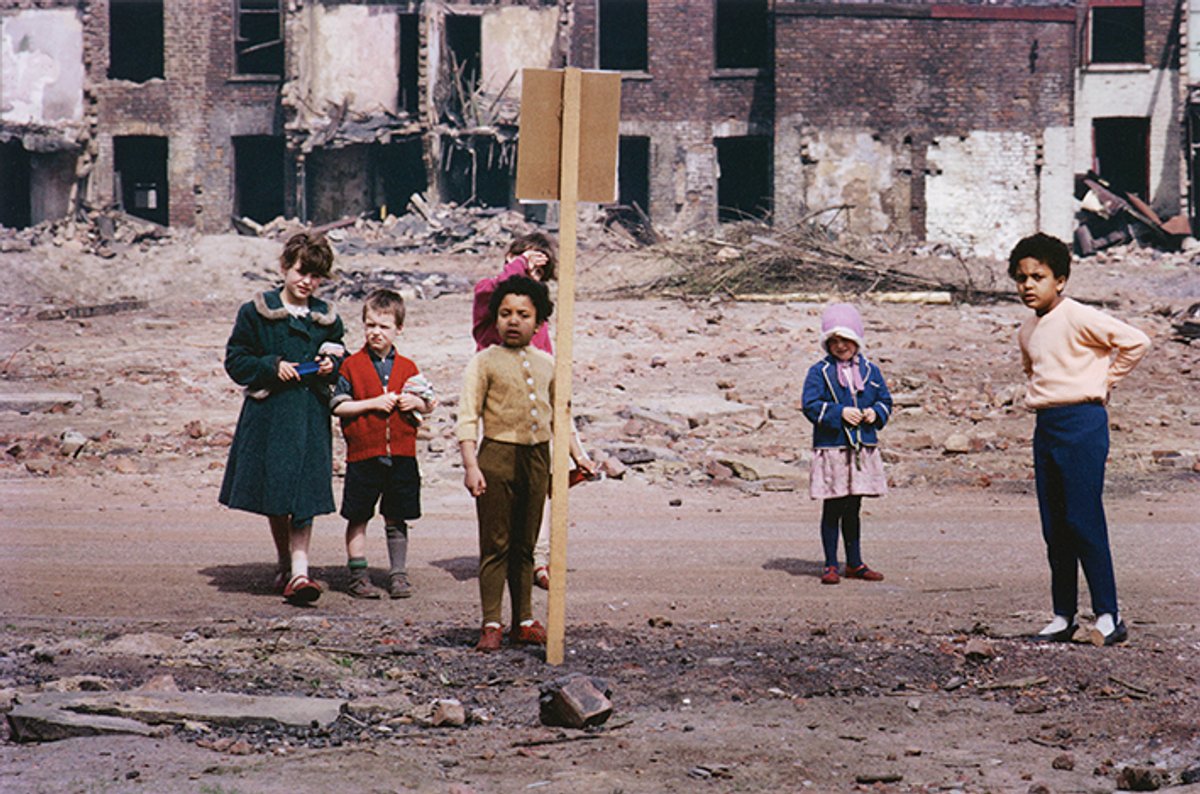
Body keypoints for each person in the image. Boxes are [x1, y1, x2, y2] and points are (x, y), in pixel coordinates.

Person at [1009, 232, 1149, 646]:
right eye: (1021, 278)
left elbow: (1136, 341)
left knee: (1083, 520)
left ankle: (1109, 615)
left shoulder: (1078, 315)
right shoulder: (1026, 330)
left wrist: (1104, 381)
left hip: (1083, 422)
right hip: (1046, 426)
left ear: (1061, 280)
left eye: (1039, 276)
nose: (1029, 285)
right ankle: (1062, 615)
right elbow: (1033, 370)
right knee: (1055, 526)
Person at [457, 276, 596, 652]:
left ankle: (524, 620)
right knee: (495, 544)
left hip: (537, 460)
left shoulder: (549, 363)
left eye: (522, 314)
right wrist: (471, 465)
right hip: (495, 459)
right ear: (495, 320)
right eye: (505, 314)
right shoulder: (483, 362)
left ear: (538, 322)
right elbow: (467, 417)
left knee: (525, 545)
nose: (513, 321)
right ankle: (491, 622)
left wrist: (579, 458)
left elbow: (560, 418)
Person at [219, 231, 344, 605]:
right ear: (285, 267)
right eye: (302, 272)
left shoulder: (327, 317)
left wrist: (330, 365)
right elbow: (235, 360)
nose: (308, 282)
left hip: (310, 415)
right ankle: (288, 564)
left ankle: (300, 572)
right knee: (277, 492)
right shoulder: (255, 312)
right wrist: (273, 366)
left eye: (316, 276)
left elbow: (342, 357)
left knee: (305, 491)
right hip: (270, 416)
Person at [471, 232, 589, 590]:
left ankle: (536, 557)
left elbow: (554, 386)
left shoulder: (538, 324)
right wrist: (521, 265)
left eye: (538, 275)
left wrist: (577, 450)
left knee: (543, 487)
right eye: (526, 265)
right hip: (503, 413)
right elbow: (497, 290)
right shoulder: (490, 299)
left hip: (540, 411)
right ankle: (504, 556)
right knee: (505, 489)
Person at [331, 289, 436, 600]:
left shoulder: (408, 366)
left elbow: (428, 403)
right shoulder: (351, 365)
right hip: (363, 455)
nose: (376, 332)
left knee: (397, 516)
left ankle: (398, 574)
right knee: (358, 515)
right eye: (370, 325)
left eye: (383, 326)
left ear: (398, 329)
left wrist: (417, 401)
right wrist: (373, 403)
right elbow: (338, 405)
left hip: (402, 454)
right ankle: (358, 575)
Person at [801, 303, 893, 586]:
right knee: (833, 506)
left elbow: (885, 402)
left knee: (853, 507)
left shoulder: (870, 371)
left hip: (860, 449)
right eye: (834, 341)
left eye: (846, 339)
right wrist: (838, 412)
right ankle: (830, 563)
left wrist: (874, 413)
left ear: (857, 339)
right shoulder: (819, 372)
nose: (841, 346)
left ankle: (854, 562)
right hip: (833, 448)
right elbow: (810, 405)